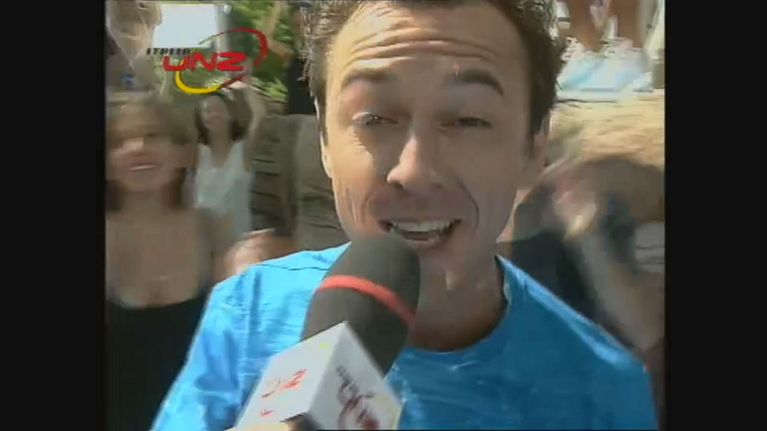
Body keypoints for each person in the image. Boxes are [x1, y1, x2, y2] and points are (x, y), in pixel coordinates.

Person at [153, 1, 658, 430]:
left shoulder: (603, 390)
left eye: (467, 120)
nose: (414, 171)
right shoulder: (248, 312)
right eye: (374, 118)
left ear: (533, 148)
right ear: (325, 142)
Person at [106, 93, 229, 431]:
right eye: (120, 141)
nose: (138, 148)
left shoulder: (214, 232)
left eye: (152, 135)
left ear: (183, 153)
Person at [193, 68, 267, 249]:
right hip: (203, 244)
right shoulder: (197, 154)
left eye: (218, 109)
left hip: (238, 245)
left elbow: (260, 116)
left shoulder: (242, 151)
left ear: (230, 115)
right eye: (207, 111)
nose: (213, 115)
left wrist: (246, 83)